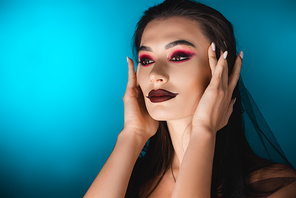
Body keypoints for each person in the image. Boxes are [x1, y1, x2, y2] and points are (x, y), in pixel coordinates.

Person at [84, 0, 296, 197]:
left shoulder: (276, 185)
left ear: (219, 69)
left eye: (178, 56)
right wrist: (133, 134)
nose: (155, 75)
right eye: (146, 59)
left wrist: (203, 130)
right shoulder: (128, 177)